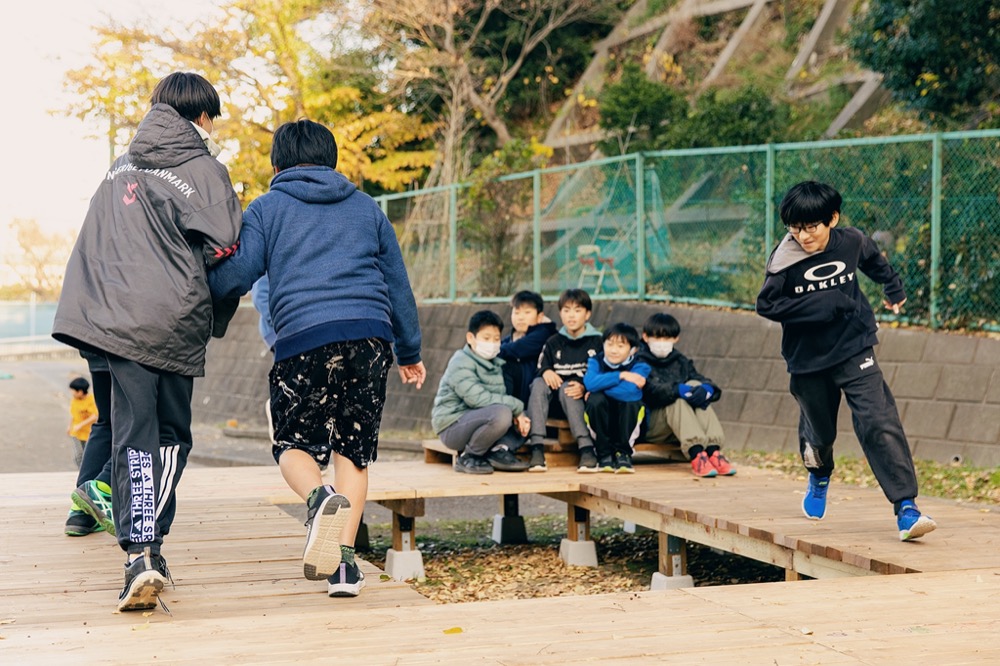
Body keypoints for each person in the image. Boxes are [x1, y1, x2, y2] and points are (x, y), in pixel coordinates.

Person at [209, 119, 426, 598]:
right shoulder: (367, 208)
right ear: (331, 159)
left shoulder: (267, 208)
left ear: (277, 164)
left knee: (293, 446)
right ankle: (344, 569)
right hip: (371, 339)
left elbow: (236, 276)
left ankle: (318, 497)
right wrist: (409, 350)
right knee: (355, 451)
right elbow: (398, 285)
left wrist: (200, 290)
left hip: (305, 339)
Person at [52, 71, 244, 611]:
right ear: (201, 116)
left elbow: (95, 240)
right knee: (170, 437)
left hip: (108, 317)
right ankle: (145, 548)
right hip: (168, 318)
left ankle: (140, 548)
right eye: (212, 118)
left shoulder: (118, 167)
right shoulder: (204, 169)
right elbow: (227, 241)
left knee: (131, 433)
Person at [756, 180, 936, 542]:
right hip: (807, 359)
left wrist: (893, 287)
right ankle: (820, 474)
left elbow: (872, 259)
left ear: (832, 219)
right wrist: (824, 304)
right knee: (819, 434)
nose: (803, 236)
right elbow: (767, 305)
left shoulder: (850, 240)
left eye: (811, 227)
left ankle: (906, 507)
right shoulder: (784, 260)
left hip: (854, 345)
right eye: (794, 227)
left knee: (878, 419)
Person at [432, 310, 532, 475]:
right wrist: (516, 408)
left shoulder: (495, 364)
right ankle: (469, 456)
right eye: (486, 338)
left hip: (478, 421)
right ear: (471, 338)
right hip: (452, 426)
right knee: (502, 414)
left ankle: (499, 451)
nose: (492, 344)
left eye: (496, 339)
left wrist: (520, 414)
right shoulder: (460, 362)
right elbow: (477, 399)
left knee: (527, 418)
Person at [638, 313, 735, 478]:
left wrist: (708, 389)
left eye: (667, 338)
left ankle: (713, 451)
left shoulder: (680, 361)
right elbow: (650, 391)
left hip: (679, 426)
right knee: (677, 400)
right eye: (657, 337)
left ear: (676, 339)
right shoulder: (639, 361)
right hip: (652, 424)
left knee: (697, 387)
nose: (662, 343)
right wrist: (678, 390)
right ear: (645, 337)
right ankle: (697, 454)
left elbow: (700, 380)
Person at [525, 288, 602, 472]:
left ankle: (586, 449)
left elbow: (603, 372)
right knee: (538, 383)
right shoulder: (553, 342)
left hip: (579, 403)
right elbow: (540, 366)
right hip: (551, 405)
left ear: (587, 314)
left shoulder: (597, 342)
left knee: (570, 387)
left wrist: (584, 386)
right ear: (560, 313)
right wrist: (545, 371)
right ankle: (536, 448)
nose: (571, 316)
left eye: (577, 310)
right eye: (566, 310)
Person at [582, 322, 651, 473]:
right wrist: (622, 375)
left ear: (633, 349)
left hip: (628, 422)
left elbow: (629, 392)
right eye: (610, 344)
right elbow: (589, 383)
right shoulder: (596, 361)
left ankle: (623, 454)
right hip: (602, 422)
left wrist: (599, 386)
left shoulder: (640, 365)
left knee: (631, 402)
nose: (613, 350)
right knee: (595, 400)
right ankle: (603, 454)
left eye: (620, 346)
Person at [498, 291, 556, 465]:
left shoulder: (544, 334)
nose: (520, 318)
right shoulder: (508, 340)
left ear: (540, 316)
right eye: (516, 312)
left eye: (527, 312)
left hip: (537, 400)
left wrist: (486, 348)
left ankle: (504, 445)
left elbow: (517, 350)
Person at [65, 352, 117, 537]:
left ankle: (80, 511)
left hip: (97, 342)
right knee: (140, 423)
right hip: (133, 345)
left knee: (105, 422)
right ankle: (101, 490)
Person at [66, 377, 97, 469]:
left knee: (88, 455)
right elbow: (73, 414)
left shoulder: (91, 400)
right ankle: (81, 472)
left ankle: (88, 472)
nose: (72, 393)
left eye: (73, 391)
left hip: (88, 432)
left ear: (80, 392)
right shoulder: (74, 400)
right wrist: (69, 426)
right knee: (78, 456)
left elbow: (95, 416)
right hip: (76, 432)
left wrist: (80, 425)